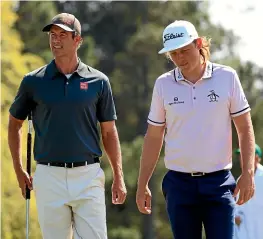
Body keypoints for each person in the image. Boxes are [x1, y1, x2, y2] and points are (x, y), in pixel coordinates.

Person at [8, 13, 127, 239]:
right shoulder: (33, 81)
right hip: (48, 175)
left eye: (63, 35)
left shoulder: (99, 82)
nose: (56, 40)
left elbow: (109, 132)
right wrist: (18, 168)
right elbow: (14, 124)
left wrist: (118, 177)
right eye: (53, 35)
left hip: (88, 175)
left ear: (78, 40)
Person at [136, 20, 256, 239]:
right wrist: (142, 183)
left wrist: (247, 173)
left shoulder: (227, 77)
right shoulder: (163, 84)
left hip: (218, 184)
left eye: (184, 50)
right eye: (173, 54)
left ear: (199, 44)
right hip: (179, 185)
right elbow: (153, 137)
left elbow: (245, 128)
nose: (179, 59)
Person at [234, 144, 263, 239]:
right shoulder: (240, 179)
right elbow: (238, 205)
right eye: (240, 156)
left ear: (257, 158)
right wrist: (236, 214)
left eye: (245, 155)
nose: (242, 159)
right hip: (245, 229)